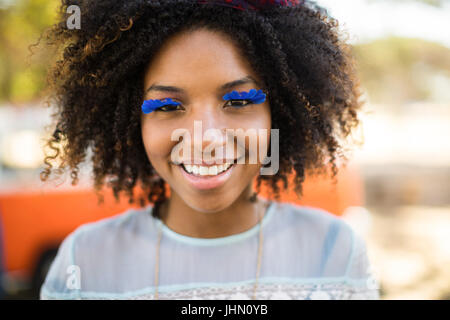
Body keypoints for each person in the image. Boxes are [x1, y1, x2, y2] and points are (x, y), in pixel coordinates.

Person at [39, 0, 379, 299]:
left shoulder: (335, 252)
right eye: (168, 106)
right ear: (132, 122)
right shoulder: (84, 262)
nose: (205, 138)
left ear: (278, 115)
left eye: (239, 100)